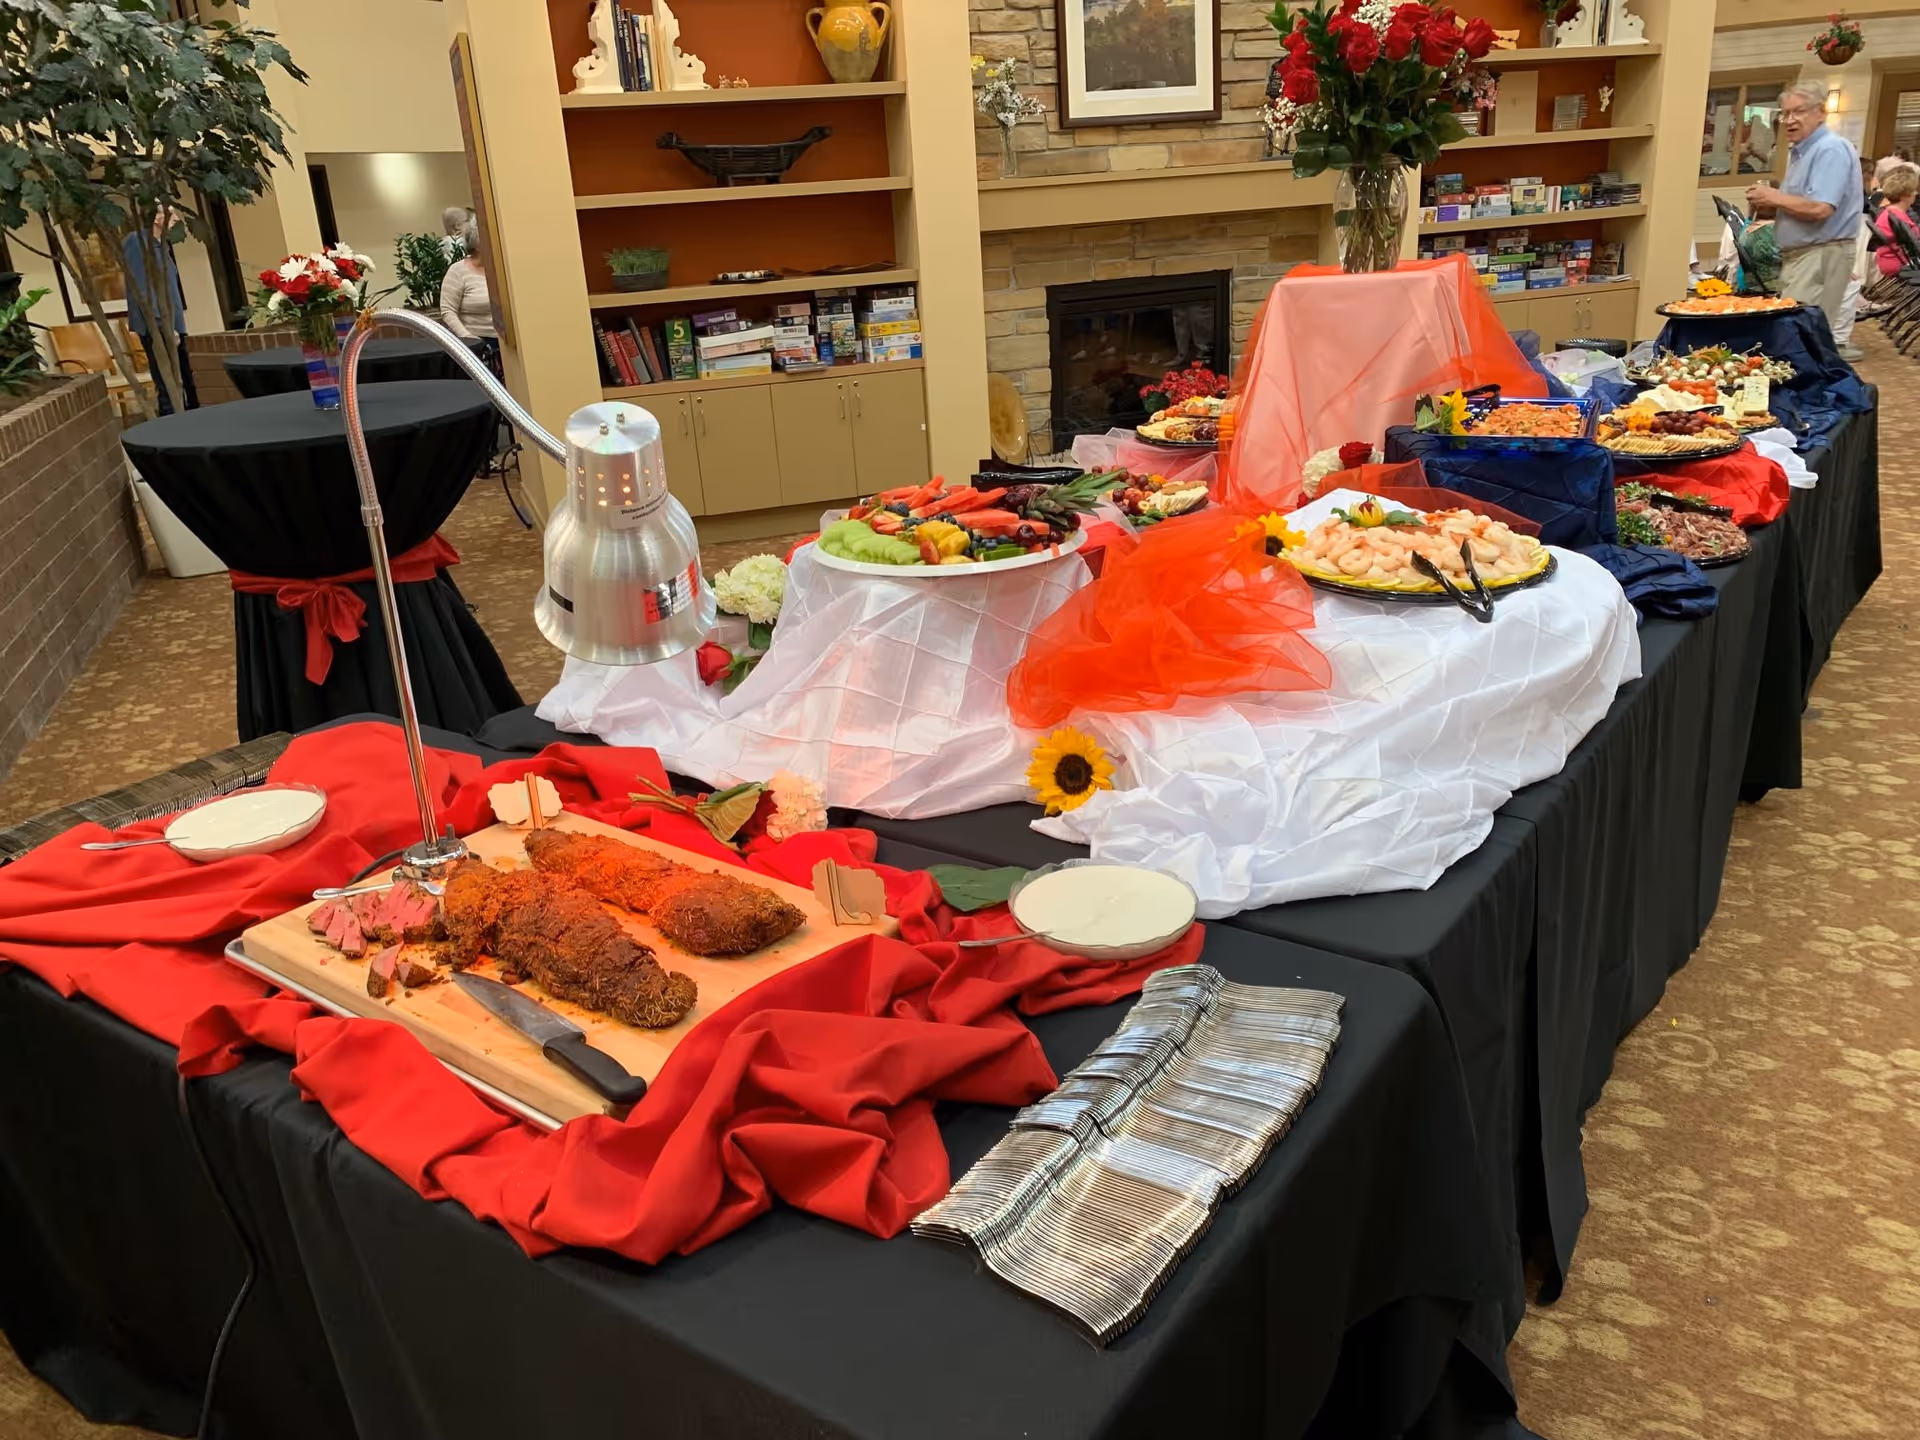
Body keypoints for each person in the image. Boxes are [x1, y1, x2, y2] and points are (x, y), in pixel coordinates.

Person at [1746, 80, 1865, 357]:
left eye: (1798, 112)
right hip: (1806, 255)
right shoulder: (1804, 151)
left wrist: (1773, 197)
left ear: (1821, 111)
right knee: (1795, 335)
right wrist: (1773, 201)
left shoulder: (1829, 149)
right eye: (1784, 114)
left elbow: (1820, 208)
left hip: (1819, 256)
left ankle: (1811, 399)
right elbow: (1804, 204)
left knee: (1803, 340)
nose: (1789, 120)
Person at [121, 204, 199, 416]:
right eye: (170, 213)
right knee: (167, 384)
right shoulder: (138, 243)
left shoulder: (159, 245)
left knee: (186, 382)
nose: (175, 218)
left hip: (172, 324)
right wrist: (164, 327)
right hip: (158, 327)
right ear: (156, 218)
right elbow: (143, 289)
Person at [439, 219, 495, 340]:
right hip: (476, 341)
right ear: (478, 245)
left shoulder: (501, 269)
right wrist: (467, 336)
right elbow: (448, 311)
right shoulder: (457, 271)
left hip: (507, 341)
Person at [1869, 164, 1920, 276]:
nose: (1916, 193)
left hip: (1889, 261)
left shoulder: (1889, 213)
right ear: (1904, 195)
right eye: (1913, 191)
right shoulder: (1898, 217)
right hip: (1902, 264)